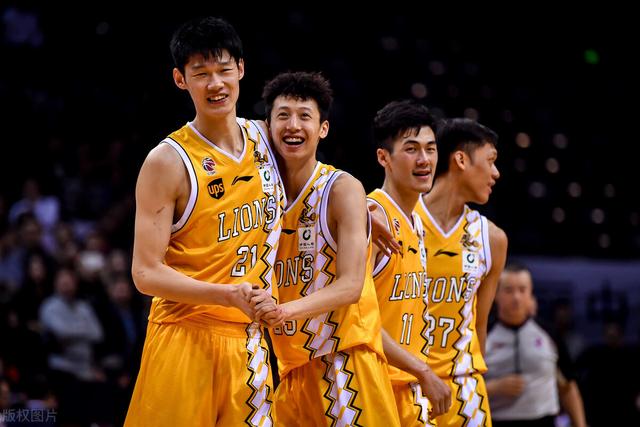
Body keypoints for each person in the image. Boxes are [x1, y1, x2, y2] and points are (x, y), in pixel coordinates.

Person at [125, 17, 284, 427]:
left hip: (248, 342)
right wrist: (225, 295)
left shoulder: (268, 139)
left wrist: (365, 208)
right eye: (201, 73)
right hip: (183, 334)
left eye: (223, 70)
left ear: (241, 69)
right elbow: (145, 273)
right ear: (180, 79)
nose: (216, 83)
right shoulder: (167, 161)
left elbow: (317, 189)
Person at [255, 71, 401, 426]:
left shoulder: (341, 188)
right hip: (290, 369)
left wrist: (283, 311)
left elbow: (350, 286)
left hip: (346, 364)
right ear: (267, 126)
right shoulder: (260, 194)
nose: (293, 125)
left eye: (304, 116)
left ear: (323, 128)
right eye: (283, 115)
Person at [415, 117, 508, 426]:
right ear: (461, 159)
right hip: (406, 382)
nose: (496, 173)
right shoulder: (399, 220)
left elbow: (479, 324)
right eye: (490, 160)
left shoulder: (492, 239)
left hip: (464, 390)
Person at [367, 100, 451, 425]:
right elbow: (358, 320)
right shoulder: (372, 215)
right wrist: (423, 370)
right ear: (383, 157)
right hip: (375, 386)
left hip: (408, 386)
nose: (424, 160)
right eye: (411, 149)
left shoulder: (416, 221)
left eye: (430, 149)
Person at [484, 263, 587, 427]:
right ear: (496, 294)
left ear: (531, 293)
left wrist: (580, 424)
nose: (516, 297)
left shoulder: (549, 333)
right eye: (509, 290)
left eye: (522, 290)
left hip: (543, 420)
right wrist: (493, 387)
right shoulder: (483, 334)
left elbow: (567, 387)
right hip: (496, 420)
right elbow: (465, 385)